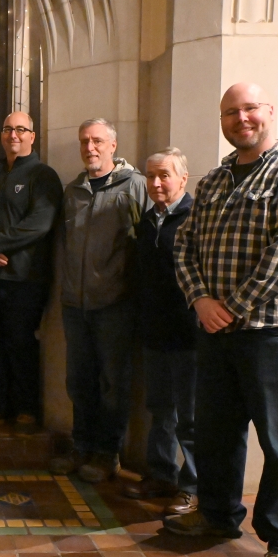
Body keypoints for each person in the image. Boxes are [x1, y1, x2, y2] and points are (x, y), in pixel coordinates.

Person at [166, 83, 278, 557]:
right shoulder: (213, 182)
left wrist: (230, 307)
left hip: (277, 330)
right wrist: (200, 301)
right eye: (231, 112)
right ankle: (216, 513)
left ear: (269, 112)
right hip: (217, 329)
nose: (242, 118)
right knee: (214, 432)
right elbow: (184, 246)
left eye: (250, 108)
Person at [51, 118, 147, 483]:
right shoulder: (73, 190)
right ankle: (82, 446)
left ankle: (109, 454)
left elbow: (142, 244)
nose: (90, 148)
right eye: (84, 141)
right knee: (79, 381)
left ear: (113, 144)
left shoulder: (134, 186)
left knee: (113, 384)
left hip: (114, 305)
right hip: (75, 304)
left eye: (97, 141)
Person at [0, 111, 63, 436]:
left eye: (21, 129)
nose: (13, 135)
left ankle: (25, 410)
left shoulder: (42, 175)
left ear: (32, 136)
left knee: (20, 344)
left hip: (25, 279)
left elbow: (40, 223)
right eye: (8, 129)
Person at [121, 148, 197, 516]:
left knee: (191, 417)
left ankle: (193, 487)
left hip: (189, 335)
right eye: (151, 176)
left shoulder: (196, 217)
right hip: (154, 333)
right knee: (159, 411)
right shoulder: (147, 220)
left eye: (164, 175)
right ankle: (161, 475)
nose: (156, 183)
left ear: (183, 178)